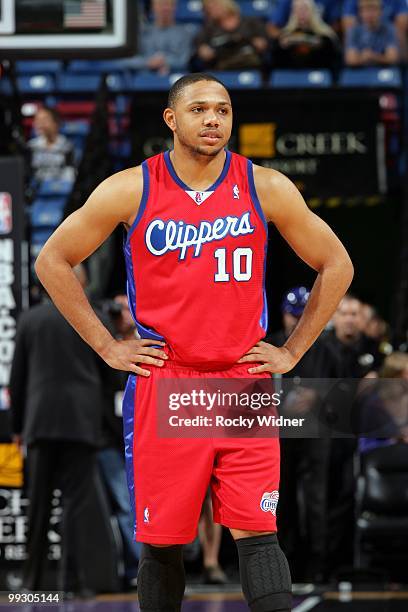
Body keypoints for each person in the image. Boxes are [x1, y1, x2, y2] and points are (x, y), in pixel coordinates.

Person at [34, 72, 353, 612]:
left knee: (258, 531)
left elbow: (337, 263)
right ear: (171, 119)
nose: (213, 120)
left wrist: (292, 351)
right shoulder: (131, 187)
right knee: (163, 544)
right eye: (200, 109)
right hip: (168, 381)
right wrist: (110, 347)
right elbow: (52, 261)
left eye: (223, 110)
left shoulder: (265, 185)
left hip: (241, 383)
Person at [10, 265, 107, 595]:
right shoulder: (95, 318)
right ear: (79, 284)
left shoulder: (30, 320)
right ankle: (74, 584)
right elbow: (109, 376)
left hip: (40, 422)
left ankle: (31, 583)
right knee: (76, 506)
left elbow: (17, 379)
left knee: (37, 506)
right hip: (81, 422)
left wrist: (17, 428)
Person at [193, 0, 269, 70]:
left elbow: (263, 44)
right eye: (207, 8)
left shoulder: (251, 23)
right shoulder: (209, 28)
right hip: (222, 66)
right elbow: (201, 47)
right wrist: (204, 51)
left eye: (214, 6)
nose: (210, 10)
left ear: (226, 5)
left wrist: (254, 42)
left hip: (251, 64)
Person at [131, 0, 197, 74]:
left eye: (169, 4)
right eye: (161, 4)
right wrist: (148, 62)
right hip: (144, 76)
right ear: (153, 7)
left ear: (175, 7)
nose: (165, 8)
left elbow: (186, 60)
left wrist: (164, 61)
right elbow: (130, 59)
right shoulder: (142, 33)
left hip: (176, 76)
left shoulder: (185, 33)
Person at [274, 0, 341, 69]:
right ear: (293, 13)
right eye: (298, 9)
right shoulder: (284, 35)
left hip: (319, 74)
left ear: (312, 11)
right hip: (290, 74)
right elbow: (275, 57)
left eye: (305, 9)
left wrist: (299, 40)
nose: (301, 13)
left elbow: (333, 55)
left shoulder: (325, 34)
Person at [27, 106, 76, 183]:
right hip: (36, 190)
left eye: (44, 120)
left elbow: (70, 172)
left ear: (56, 123)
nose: (40, 124)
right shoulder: (31, 146)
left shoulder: (67, 146)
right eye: (37, 120)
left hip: (61, 187)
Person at [344, 0, 400, 66]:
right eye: (366, 11)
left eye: (373, 10)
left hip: (383, 70)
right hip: (359, 71)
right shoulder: (354, 31)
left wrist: (372, 56)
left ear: (380, 12)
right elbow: (350, 60)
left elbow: (392, 58)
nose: (370, 14)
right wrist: (364, 58)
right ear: (360, 13)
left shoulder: (389, 29)